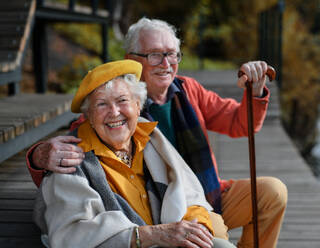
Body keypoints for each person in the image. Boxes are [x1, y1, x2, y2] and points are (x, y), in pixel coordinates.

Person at [28, 18, 287, 247]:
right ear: (131, 60)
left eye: (172, 54)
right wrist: (39, 156)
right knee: (212, 236)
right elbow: (74, 159)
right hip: (164, 212)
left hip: (204, 193)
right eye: (154, 55)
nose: (166, 63)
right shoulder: (114, 106)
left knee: (272, 193)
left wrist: (254, 92)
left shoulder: (188, 89)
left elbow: (240, 123)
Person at [33, 59, 236, 248]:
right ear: (89, 117)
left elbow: (189, 192)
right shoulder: (70, 159)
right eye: (102, 104)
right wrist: (150, 235)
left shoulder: (150, 136)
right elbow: (70, 235)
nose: (114, 112)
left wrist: (195, 226)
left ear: (138, 106)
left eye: (122, 101)